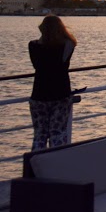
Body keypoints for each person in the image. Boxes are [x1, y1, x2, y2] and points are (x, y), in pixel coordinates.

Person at [29, 14, 77, 150]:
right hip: (60, 94)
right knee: (57, 133)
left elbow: (37, 65)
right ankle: (56, 164)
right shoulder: (67, 45)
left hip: (39, 95)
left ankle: (36, 164)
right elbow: (71, 41)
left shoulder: (33, 46)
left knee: (40, 134)